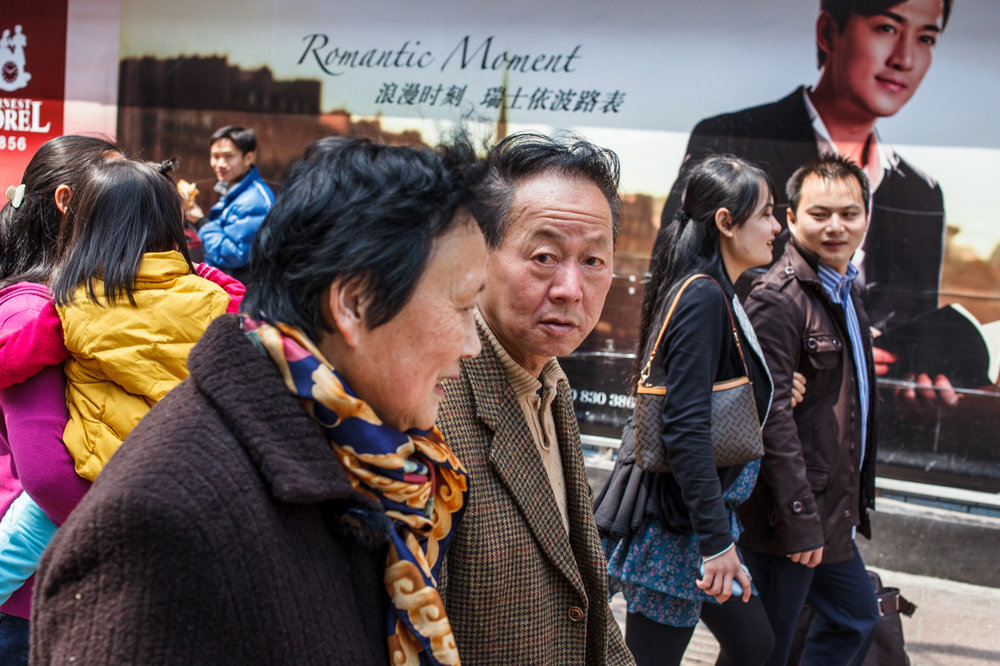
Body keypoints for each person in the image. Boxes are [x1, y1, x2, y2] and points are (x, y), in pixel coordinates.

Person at [32, 136, 487, 665]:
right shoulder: (161, 526)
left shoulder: (371, 460)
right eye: (461, 306)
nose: (472, 344)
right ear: (353, 303)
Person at [654, 0, 954, 402]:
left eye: (926, 37)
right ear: (829, 31)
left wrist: (918, 382)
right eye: (886, 28)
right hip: (744, 405)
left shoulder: (921, 193)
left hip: (850, 424)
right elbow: (675, 278)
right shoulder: (734, 138)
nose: (904, 58)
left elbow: (916, 330)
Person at [436, 131, 632, 665]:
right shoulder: (432, 404)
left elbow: (585, 602)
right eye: (544, 256)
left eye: (593, 260)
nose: (571, 288)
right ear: (478, 253)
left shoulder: (548, 383)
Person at [594, 155, 779, 665]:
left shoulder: (711, 291)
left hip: (694, 519)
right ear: (725, 222)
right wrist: (716, 544)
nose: (776, 226)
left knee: (754, 644)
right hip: (679, 525)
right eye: (765, 213)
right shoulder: (702, 297)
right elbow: (684, 428)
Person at [738, 154, 880, 666]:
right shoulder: (779, 298)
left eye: (850, 213)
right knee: (760, 651)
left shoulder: (845, 291)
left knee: (855, 617)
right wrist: (798, 519)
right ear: (792, 218)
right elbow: (770, 419)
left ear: (867, 217)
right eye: (820, 214)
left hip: (829, 509)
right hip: (786, 517)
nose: (836, 226)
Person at [0, 135, 118, 665]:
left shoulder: (70, 301)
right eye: (117, 194)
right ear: (69, 201)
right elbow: (49, 479)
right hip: (24, 594)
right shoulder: (36, 313)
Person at [187, 125, 274, 283]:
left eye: (228, 156)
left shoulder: (254, 200)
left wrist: (201, 222)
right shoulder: (234, 190)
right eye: (215, 156)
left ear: (248, 158)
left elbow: (235, 255)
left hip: (240, 296)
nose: (220, 163)